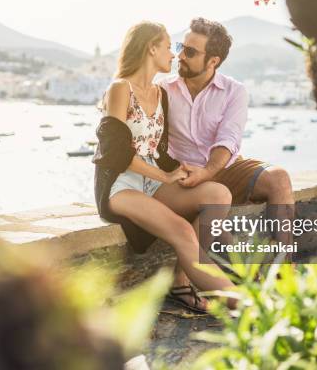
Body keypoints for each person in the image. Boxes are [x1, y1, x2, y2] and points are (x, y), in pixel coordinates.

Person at [93, 21, 237, 312]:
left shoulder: (161, 95)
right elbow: (115, 154)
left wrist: (182, 170)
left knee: (218, 194)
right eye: (170, 47)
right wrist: (164, 175)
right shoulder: (120, 89)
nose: (175, 55)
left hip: (153, 182)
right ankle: (246, 305)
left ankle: (185, 274)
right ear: (152, 48)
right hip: (122, 184)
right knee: (183, 231)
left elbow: (158, 150)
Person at [158, 17, 295, 273]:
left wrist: (207, 172)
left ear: (213, 61)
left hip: (223, 167)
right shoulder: (163, 89)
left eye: (190, 52)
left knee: (280, 178)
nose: (180, 56)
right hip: (182, 173)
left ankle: (284, 269)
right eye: (180, 47)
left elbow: (228, 140)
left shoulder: (234, 91)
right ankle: (187, 278)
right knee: (216, 205)